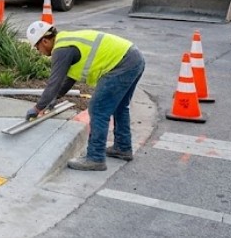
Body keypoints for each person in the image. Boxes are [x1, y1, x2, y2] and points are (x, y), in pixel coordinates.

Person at [25, 21, 146, 171]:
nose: (39, 51)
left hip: (122, 63)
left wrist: (38, 108)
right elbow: (69, 78)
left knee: (98, 109)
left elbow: (53, 83)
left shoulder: (61, 50)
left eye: (37, 47)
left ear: (45, 40)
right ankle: (122, 147)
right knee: (120, 106)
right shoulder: (67, 41)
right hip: (134, 58)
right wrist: (54, 99)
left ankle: (95, 158)